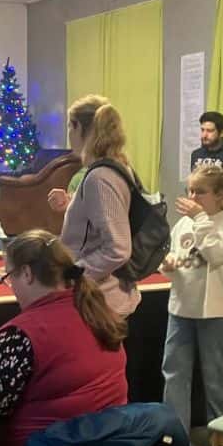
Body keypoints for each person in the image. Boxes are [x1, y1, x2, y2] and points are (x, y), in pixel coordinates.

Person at [0, 230, 128, 446]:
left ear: (27, 274)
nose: (11, 287)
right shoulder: (99, 313)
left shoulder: (20, 335)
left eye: (10, 277)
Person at [159, 165, 223, 431]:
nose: (192, 197)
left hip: (215, 311)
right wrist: (168, 264)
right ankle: (176, 433)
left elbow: (215, 254)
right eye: (190, 191)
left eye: (200, 192)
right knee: (174, 372)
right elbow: (175, 256)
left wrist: (200, 219)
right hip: (181, 306)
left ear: (219, 194)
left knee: (217, 375)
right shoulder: (183, 224)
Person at [57, 95, 140, 318]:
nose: (69, 134)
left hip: (100, 299)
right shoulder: (118, 167)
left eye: (69, 126)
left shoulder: (100, 177)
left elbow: (118, 248)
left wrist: (74, 276)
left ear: (78, 127)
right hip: (104, 296)